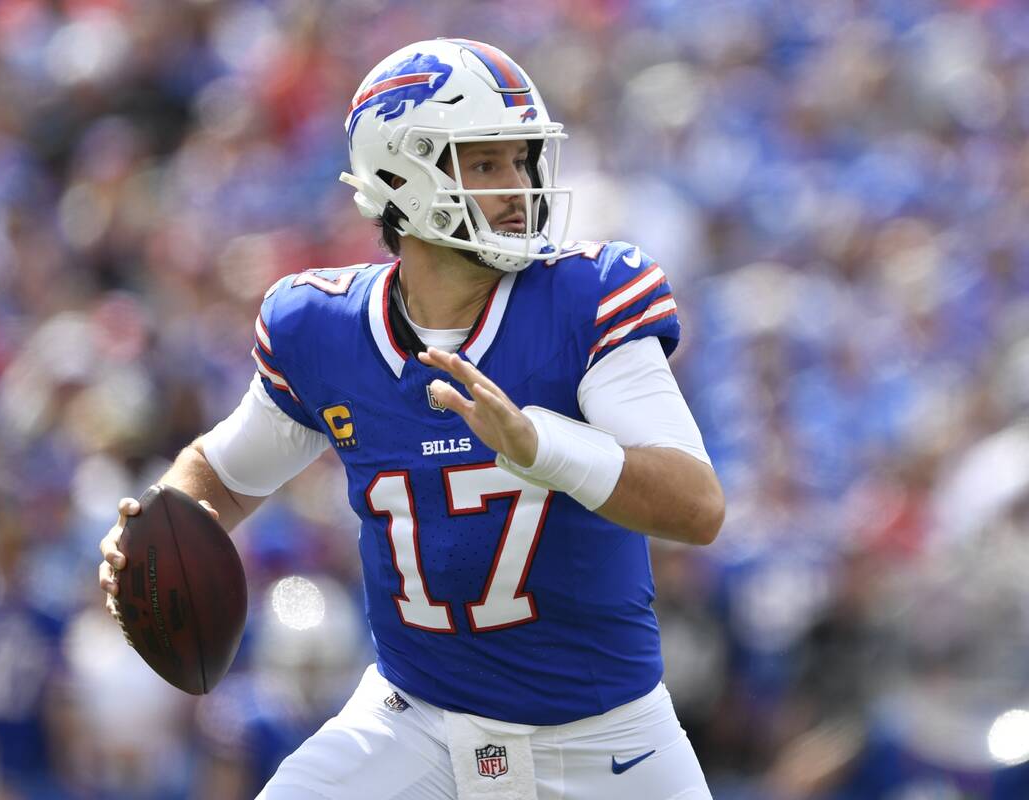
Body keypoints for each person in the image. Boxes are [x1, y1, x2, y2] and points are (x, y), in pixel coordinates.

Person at [100, 38, 724, 799]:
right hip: (417, 720)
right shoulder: (321, 329)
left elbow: (697, 506)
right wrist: (156, 534)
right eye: (486, 164)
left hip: (605, 738)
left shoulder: (588, 298)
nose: (517, 186)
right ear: (399, 175)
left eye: (522, 160)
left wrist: (543, 446)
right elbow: (223, 477)